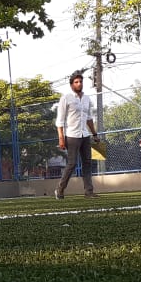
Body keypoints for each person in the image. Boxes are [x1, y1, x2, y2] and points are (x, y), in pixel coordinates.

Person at [54, 71, 99, 199]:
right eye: (76, 82)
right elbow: (60, 121)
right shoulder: (66, 98)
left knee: (87, 163)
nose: (79, 84)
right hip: (72, 136)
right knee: (72, 164)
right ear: (71, 85)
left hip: (85, 135)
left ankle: (89, 192)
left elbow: (89, 118)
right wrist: (61, 138)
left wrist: (94, 134)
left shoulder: (86, 99)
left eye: (80, 82)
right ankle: (60, 189)